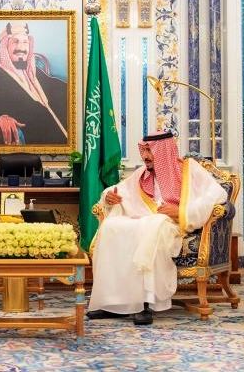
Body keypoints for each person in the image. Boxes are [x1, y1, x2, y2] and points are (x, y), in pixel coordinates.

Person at [86, 131, 227, 325]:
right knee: (111, 226)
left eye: (149, 151)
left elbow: (217, 195)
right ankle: (113, 303)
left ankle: (145, 303)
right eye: (143, 151)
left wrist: (181, 210)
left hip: (172, 225)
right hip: (145, 222)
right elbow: (120, 190)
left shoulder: (189, 169)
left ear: (163, 152)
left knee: (151, 227)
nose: (145, 156)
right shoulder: (141, 174)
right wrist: (109, 197)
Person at [0, 21, 68, 145]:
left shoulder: (33, 71)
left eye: (25, 42)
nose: (21, 47)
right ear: (5, 47)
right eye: (15, 42)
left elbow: (54, 85)